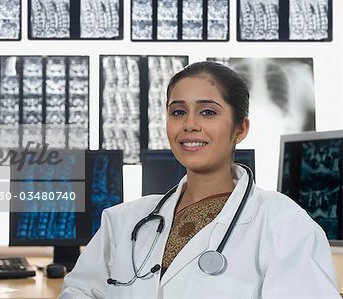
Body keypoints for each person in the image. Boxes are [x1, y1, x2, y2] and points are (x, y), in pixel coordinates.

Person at [59, 61, 340, 298]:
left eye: (208, 112)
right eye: (178, 112)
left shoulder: (285, 225)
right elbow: (80, 291)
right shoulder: (123, 221)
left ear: (240, 129)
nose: (190, 124)